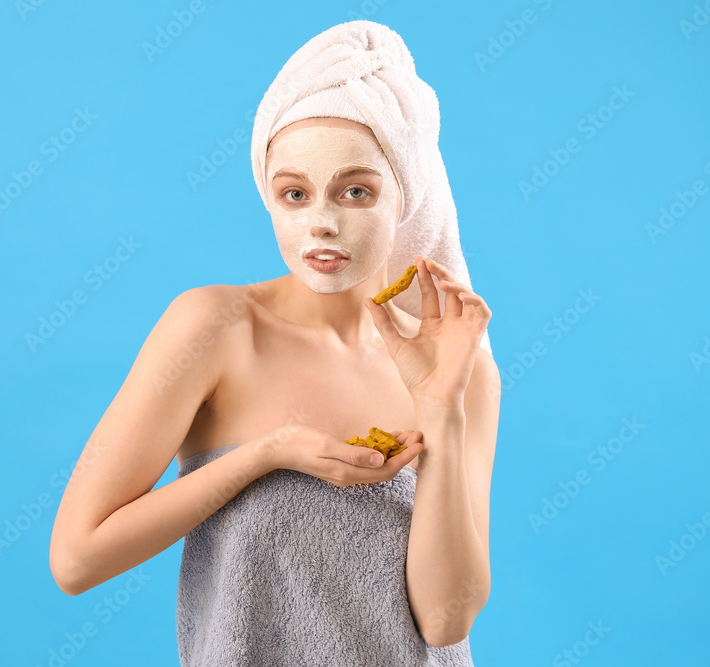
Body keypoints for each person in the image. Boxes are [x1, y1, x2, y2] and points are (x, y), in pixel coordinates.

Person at [50, 20, 500, 666]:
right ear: (270, 197)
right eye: (295, 193)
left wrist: (441, 408)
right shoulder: (213, 328)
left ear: (404, 195)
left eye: (355, 191)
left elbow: (445, 617)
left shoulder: (461, 369)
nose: (321, 220)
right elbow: (76, 558)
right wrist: (268, 454)